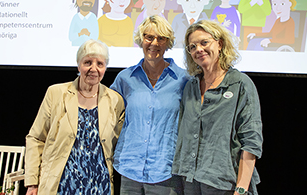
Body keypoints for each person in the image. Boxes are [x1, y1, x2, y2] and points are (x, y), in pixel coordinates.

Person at [172, 20, 263, 195]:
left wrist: (241, 189)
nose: (198, 49)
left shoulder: (240, 84)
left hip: (224, 184)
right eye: (192, 47)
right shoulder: (190, 87)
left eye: (204, 42)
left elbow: (251, 141)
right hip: (190, 181)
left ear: (220, 44)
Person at [24, 39, 125, 195]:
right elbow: (36, 138)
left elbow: (118, 145)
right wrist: (32, 182)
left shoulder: (115, 100)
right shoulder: (56, 93)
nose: (94, 69)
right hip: (61, 185)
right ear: (78, 65)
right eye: (87, 62)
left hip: (99, 185)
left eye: (100, 64)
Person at [110, 15, 188, 194]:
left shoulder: (184, 80)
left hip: (166, 171)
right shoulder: (125, 78)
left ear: (168, 43)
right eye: (149, 37)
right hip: (129, 168)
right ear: (140, 40)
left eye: (161, 38)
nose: (154, 43)